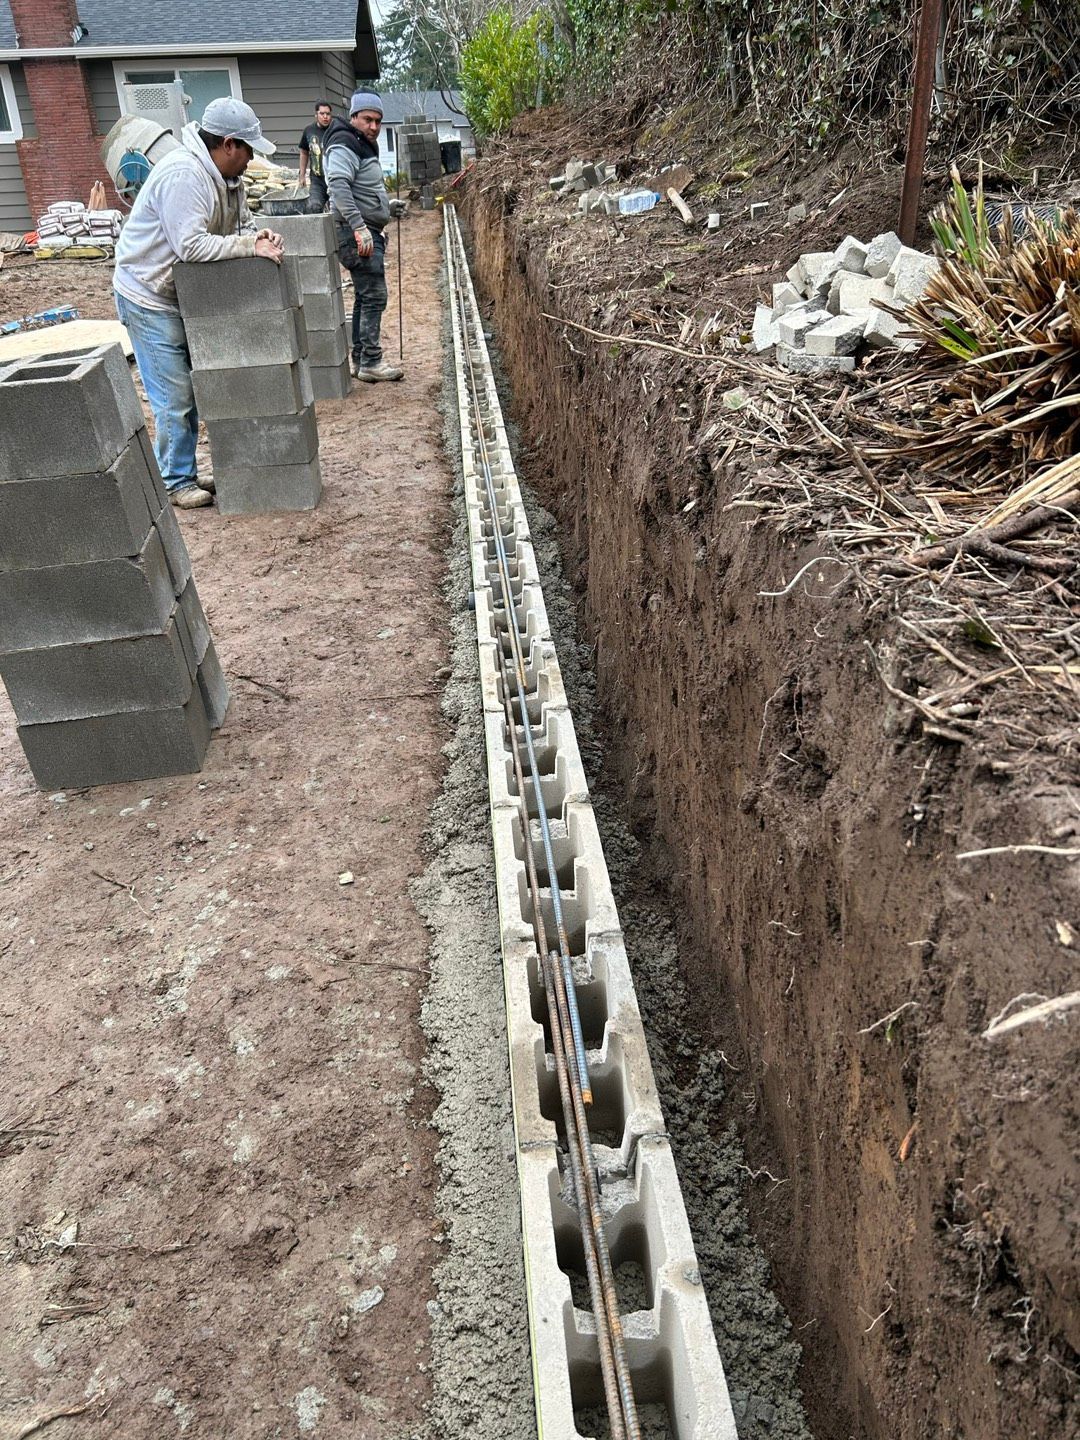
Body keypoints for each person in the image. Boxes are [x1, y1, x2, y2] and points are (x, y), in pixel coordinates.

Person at [113, 97, 284, 509]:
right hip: (148, 296)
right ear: (228, 145)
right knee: (174, 397)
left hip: (179, 293)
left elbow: (242, 226)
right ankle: (174, 481)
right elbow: (190, 245)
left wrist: (259, 236)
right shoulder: (185, 176)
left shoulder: (229, 180)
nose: (251, 160)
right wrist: (248, 247)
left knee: (193, 388)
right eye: (248, 150)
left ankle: (183, 470)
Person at [323, 90, 405, 383]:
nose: (374, 126)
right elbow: (339, 186)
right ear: (354, 117)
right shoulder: (345, 142)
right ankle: (371, 360)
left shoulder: (359, 143)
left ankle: (361, 359)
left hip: (364, 229)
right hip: (357, 233)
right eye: (368, 119)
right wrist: (359, 227)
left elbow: (361, 188)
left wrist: (386, 206)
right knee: (374, 295)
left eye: (378, 121)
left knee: (363, 296)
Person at [298, 100, 333, 212]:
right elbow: (304, 152)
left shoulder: (336, 130)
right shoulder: (309, 130)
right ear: (316, 115)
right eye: (322, 114)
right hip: (318, 180)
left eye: (328, 114)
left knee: (339, 211)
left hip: (335, 179)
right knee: (313, 207)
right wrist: (302, 175)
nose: (325, 117)